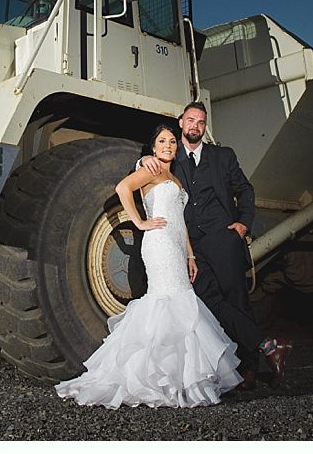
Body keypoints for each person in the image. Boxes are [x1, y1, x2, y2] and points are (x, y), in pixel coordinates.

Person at [55, 125, 242, 409]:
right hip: (159, 244)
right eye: (161, 141)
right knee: (166, 302)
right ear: (153, 148)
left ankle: (177, 378)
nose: (167, 145)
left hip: (177, 246)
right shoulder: (151, 169)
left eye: (171, 141)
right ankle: (153, 379)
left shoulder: (173, 177)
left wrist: (190, 256)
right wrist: (139, 222)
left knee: (181, 305)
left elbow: (180, 223)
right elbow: (122, 188)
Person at [140, 101, 292, 389]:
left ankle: (249, 369)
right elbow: (147, 167)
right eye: (190, 120)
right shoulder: (170, 156)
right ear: (181, 123)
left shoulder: (223, 156)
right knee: (208, 303)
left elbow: (245, 189)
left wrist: (244, 224)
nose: (195, 126)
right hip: (190, 249)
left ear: (204, 127)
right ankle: (266, 347)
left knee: (237, 301)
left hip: (223, 239)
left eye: (201, 122)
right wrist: (142, 161)